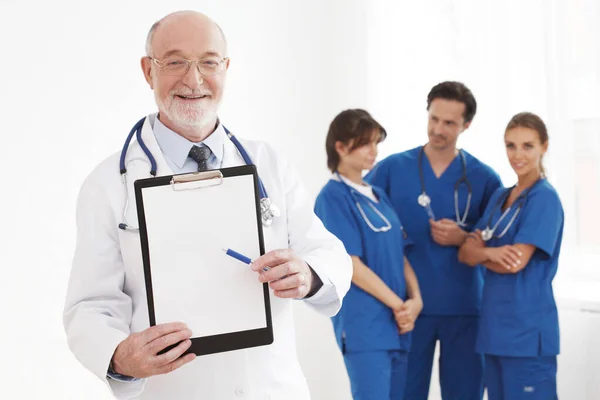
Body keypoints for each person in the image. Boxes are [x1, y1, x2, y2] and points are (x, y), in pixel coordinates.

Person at [63, 10, 352, 400]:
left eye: (208, 62)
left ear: (226, 68)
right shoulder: (107, 185)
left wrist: (309, 273)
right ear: (149, 71)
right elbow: (90, 306)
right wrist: (117, 355)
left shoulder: (267, 163)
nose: (194, 79)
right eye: (176, 62)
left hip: (272, 388)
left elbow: (328, 251)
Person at [365, 81, 503, 400]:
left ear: (466, 125)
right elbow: (363, 225)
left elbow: (496, 245)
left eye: (449, 123)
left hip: (465, 308)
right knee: (404, 393)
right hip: (410, 308)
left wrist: (463, 237)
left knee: (464, 393)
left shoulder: (484, 178)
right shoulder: (391, 169)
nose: (438, 129)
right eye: (434, 119)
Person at [314, 109, 423, 399]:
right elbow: (352, 265)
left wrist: (416, 301)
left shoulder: (377, 195)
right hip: (366, 326)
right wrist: (399, 305)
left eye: (376, 143)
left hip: (398, 325)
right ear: (340, 146)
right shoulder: (332, 197)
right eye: (365, 143)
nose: (373, 151)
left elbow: (399, 253)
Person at [458, 112, 562, 400]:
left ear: (544, 146)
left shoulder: (544, 199)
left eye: (528, 146)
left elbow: (514, 262)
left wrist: (480, 252)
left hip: (527, 334)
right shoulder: (499, 198)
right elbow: (465, 254)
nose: (518, 155)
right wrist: (490, 252)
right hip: (494, 331)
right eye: (510, 145)